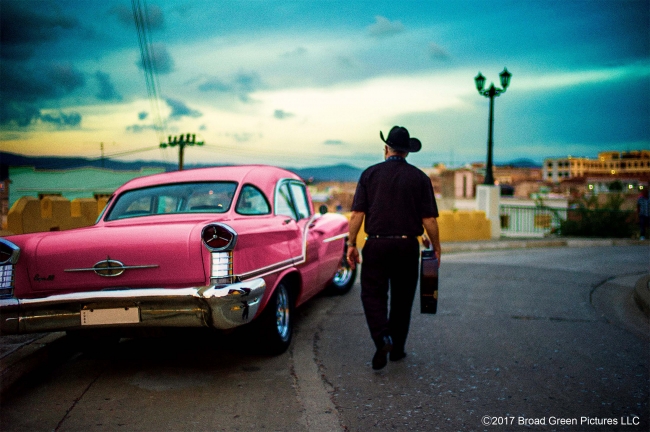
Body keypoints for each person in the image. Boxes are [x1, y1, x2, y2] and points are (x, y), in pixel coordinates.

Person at [346, 126, 441, 370]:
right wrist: (436, 247)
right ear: (407, 152)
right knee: (402, 298)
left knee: (372, 294)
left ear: (386, 148)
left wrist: (351, 244)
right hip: (407, 245)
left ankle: (382, 338)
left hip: (376, 244)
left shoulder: (369, 174)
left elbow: (357, 213)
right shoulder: (420, 178)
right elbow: (429, 219)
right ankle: (397, 349)